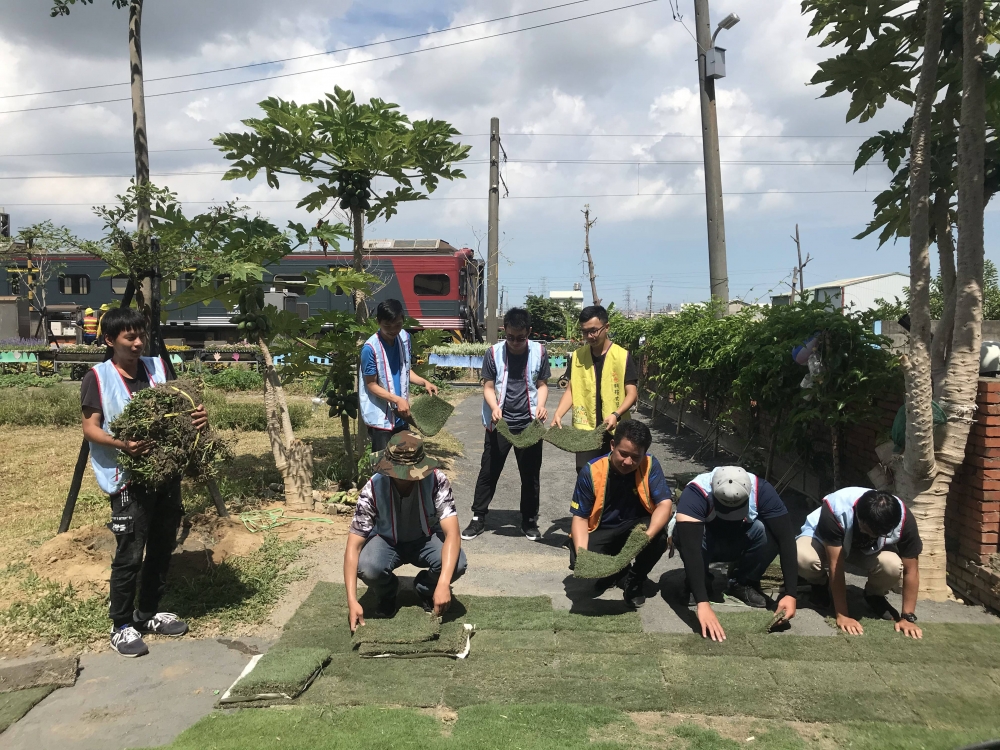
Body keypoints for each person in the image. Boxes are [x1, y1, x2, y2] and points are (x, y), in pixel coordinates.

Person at [80, 307, 208, 657]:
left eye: (141, 336)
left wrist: (196, 415)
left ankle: (148, 612)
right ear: (110, 340)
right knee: (130, 553)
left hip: (165, 472)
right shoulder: (98, 377)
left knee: (163, 545)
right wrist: (123, 444)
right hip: (127, 478)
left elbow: (179, 408)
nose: (138, 343)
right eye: (129, 337)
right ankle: (121, 625)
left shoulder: (157, 368)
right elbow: (90, 427)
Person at [344, 432, 468, 632]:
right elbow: (353, 546)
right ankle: (388, 591)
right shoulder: (373, 488)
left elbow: (453, 533)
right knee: (367, 567)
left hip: (425, 538)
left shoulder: (437, 481)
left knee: (457, 564)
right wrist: (351, 599)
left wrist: (444, 583)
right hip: (387, 541)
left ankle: (425, 587)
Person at [673, 466, 799, 642]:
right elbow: (690, 548)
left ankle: (742, 582)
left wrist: (790, 593)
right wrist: (703, 603)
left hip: (739, 537)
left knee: (768, 531)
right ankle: (699, 582)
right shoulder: (696, 492)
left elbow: (786, 538)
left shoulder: (762, 490)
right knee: (682, 532)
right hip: (705, 540)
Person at [462, 308, 551, 542]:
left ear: (528, 333)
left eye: (520, 338)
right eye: (510, 337)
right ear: (505, 332)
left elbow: (542, 384)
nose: (515, 343)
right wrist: (494, 408)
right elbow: (488, 387)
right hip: (500, 423)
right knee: (489, 470)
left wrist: (541, 405)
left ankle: (529, 520)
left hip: (529, 423)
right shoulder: (493, 353)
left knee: (530, 474)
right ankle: (478, 517)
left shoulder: (539, 352)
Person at [569, 420, 673, 608]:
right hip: (603, 530)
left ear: (643, 454)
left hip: (635, 526)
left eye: (635, 457)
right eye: (623, 454)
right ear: (612, 446)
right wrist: (582, 555)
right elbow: (580, 517)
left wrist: (647, 536)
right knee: (578, 556)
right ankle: (616, 573)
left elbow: (665, 504)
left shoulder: (650, 464)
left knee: (658, 537)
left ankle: (634, 580)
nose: (628, 462)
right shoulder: (591, 470)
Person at [797, 487, 923, 638]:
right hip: (823, 541)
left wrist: (907, 617)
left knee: (892, 565)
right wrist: (842, 614)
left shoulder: (904, 520)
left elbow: (912, 570)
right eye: (867, 530)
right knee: (802, 557)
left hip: (864, 551)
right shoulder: (836, 509)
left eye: (876, 534)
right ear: (858, 515)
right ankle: (819, 584)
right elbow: (836, 565)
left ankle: (874, 596)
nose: (870, 535)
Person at [550, 305, 640, 470]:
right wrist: (558, 413)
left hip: (616, 430)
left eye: (594, 330)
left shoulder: (622, 356)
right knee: (586, 475)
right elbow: (571, 390)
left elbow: (632, 393)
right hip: (586, 431)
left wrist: (616, 414)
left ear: (606, 327)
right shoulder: (578, 356)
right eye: (585, 332)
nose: (589, 336)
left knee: (614, 477)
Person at [358, 299, 439, 452]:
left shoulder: (405, 338)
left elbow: (405, 370)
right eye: (387, 326)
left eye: (397, 325)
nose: (393, 330)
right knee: (383, 465)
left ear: (403, 320)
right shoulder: (370, 349)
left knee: (404, 464)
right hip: (381, 417)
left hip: (401, 414)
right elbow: (371, 385)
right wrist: (397, 399)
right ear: (378, 322)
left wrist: (424, 382)